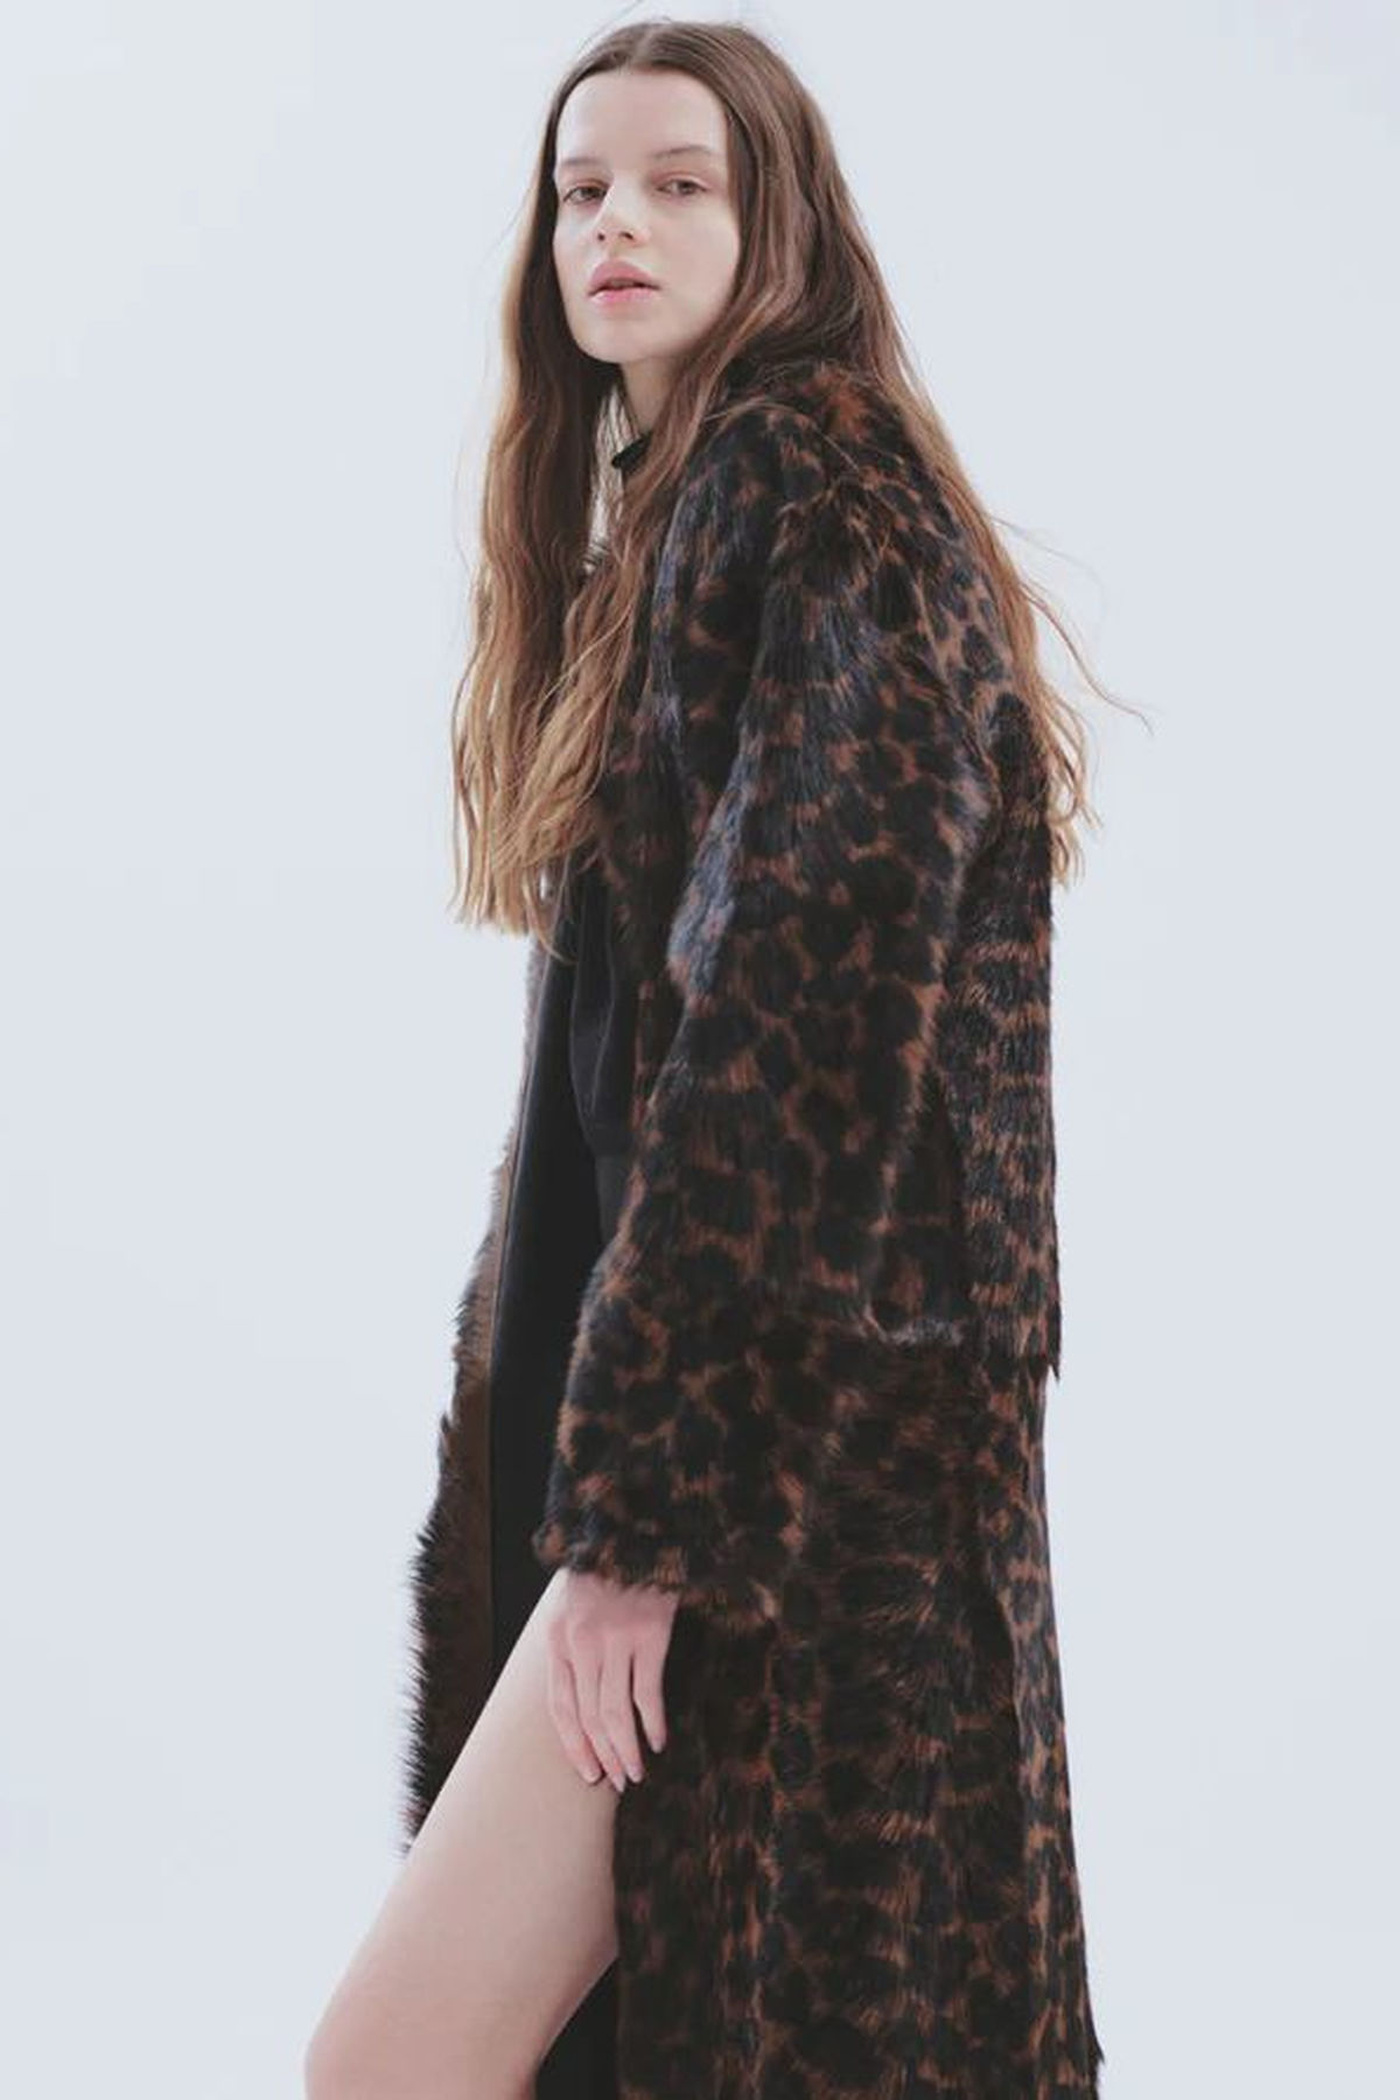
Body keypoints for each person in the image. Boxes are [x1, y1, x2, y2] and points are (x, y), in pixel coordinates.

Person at [306, 19, 1116, 2100]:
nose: (620, 224)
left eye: (682, 183)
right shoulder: (672, 533)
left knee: (400, 2059)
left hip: (775, 1492)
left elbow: (800, 1046)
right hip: (729, 1457)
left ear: (782, 226)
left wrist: (647, 1527)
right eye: (583, 188)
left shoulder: (814, 497)